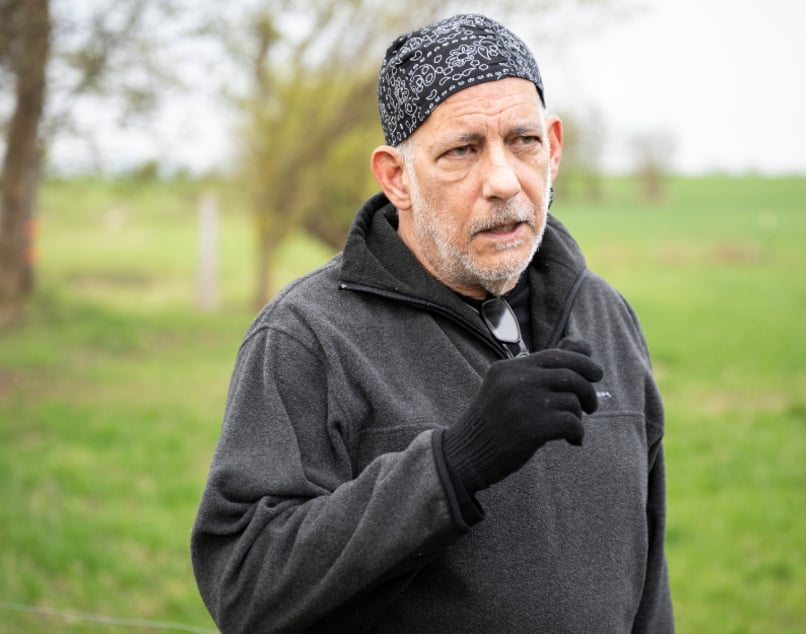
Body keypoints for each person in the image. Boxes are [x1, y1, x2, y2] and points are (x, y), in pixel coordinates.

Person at [191, 13, 674, 633]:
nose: (502, 181)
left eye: (522, 141)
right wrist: (455, 463)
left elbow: (647, 582)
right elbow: (246, 587)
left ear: (553, 147)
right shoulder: (306, 339)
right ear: (398, 178)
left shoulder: (605, 315)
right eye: (462, 150)